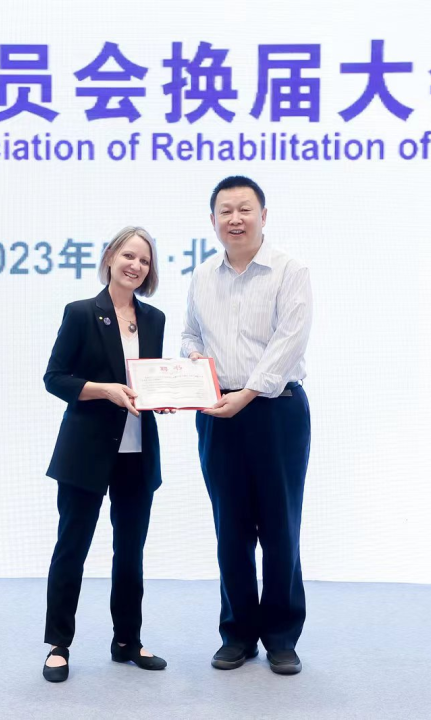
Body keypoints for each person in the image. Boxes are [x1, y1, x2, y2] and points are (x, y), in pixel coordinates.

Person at [181, 176, 313, 675]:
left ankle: (281, 637)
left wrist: (248, 394)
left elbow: (289, 342)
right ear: (212, 219)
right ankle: (236, 634)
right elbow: (190, 333)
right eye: (225, 211)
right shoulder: (202, 275)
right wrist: (196, 361)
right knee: (230, 529)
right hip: (218, 412)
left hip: (276, 410)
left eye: (244, 209)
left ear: (263, 215)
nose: (235, 219)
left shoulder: (290, 271)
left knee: (280, 527)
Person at [41, 226, 170, 682]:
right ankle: (58, 645)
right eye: (129, 255)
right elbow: (55, 378)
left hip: (137, 450)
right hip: (86, 451)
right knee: (71, 548)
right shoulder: (81, 313)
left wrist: (162, 397)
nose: (136, 265)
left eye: (145, 260)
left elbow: (148, 380)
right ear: (111, 257)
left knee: (130, 552)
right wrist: (105, 391)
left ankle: (127, 641)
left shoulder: (154, 319)